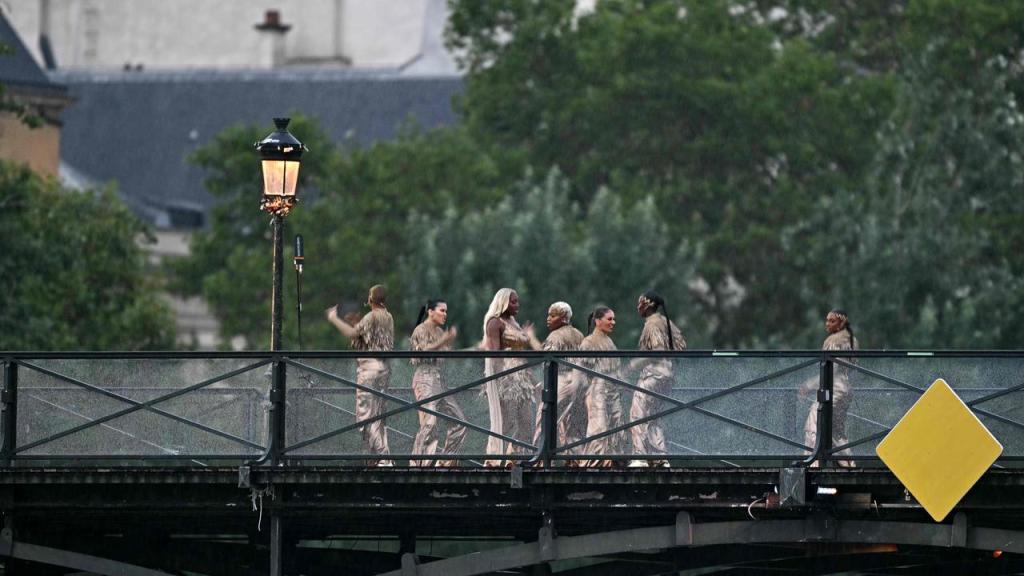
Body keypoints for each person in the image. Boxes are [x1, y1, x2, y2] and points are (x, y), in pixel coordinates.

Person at [326, 284, 395, 467]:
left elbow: (352, 333)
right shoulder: (388, 317)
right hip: (385, 368)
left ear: (370, 300)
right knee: (379, 415)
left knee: (365, 417)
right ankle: (378, 458)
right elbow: (369, 337)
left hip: (370, 369)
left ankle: (383, 457)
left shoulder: (371, 316)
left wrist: (334, 318)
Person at [629, 290, 686, 468]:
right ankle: (660, 457)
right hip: (668, 374)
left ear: (647, 305)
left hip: (653, 374)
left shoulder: (651, 324)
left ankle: (640, 457)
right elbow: (681, 346)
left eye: (640, 302)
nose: (638, 306)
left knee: (637, 414)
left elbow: (657, 350)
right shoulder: (666, 322)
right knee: (654, 416)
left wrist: (633, 364)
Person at [482, 288, 539, 465]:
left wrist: (529, 336)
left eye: (517, 301)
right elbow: (494, 355)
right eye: (513, 302)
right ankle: (495, 459)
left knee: (526, 419)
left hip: (522, 377)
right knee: (507, 421)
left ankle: (514, 458)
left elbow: (526, 347)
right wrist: (500, 381)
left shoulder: (513, 322)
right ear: (504, 302)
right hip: (506, 377)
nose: (517, 305)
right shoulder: (494, 323)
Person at [409, 299, 466, 467]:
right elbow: (424, 351)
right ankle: (418, 464)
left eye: (446, 311)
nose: (445, 314)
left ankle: (446, 461)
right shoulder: (420, 329)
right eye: (442, 310)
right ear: (430, 312)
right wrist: (445, 340)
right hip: (425, 379)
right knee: (429, 422)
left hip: (440, 381)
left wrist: (478, 348)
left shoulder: (440, 332)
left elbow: (450, 354)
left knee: (460, 422)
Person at [800, 309, 858, 467]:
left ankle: (812, 464)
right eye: (827, 320)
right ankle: (848, 466)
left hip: (834, 388)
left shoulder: (834, 340)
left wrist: (809, 385)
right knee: (835, 430)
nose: (827, 324)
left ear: (841, 322)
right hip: (846, 388)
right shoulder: (851, 339)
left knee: (814, 422)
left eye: (831, 321)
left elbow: (831, 369)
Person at [532, 302, 585, 463]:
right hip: (579, 381)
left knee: (545, 419)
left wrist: (531, 338)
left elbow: (546, 357)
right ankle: (576, 460)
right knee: (573, 424)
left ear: (563, 318)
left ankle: (540, 459)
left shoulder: (555, 336)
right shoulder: (579, 334)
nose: (548, 319)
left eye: (553, 315)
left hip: (560, 380)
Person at [578, 306, 627, 468]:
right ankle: (594, 462)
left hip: (613, 388)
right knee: (599, 425)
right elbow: (582, 370)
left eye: (613, 319)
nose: (613, 322)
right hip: (597, 388)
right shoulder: (589, 342)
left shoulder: (609, 341)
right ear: (598, 321)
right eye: (609, 319)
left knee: (616, 422)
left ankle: (614, 459)